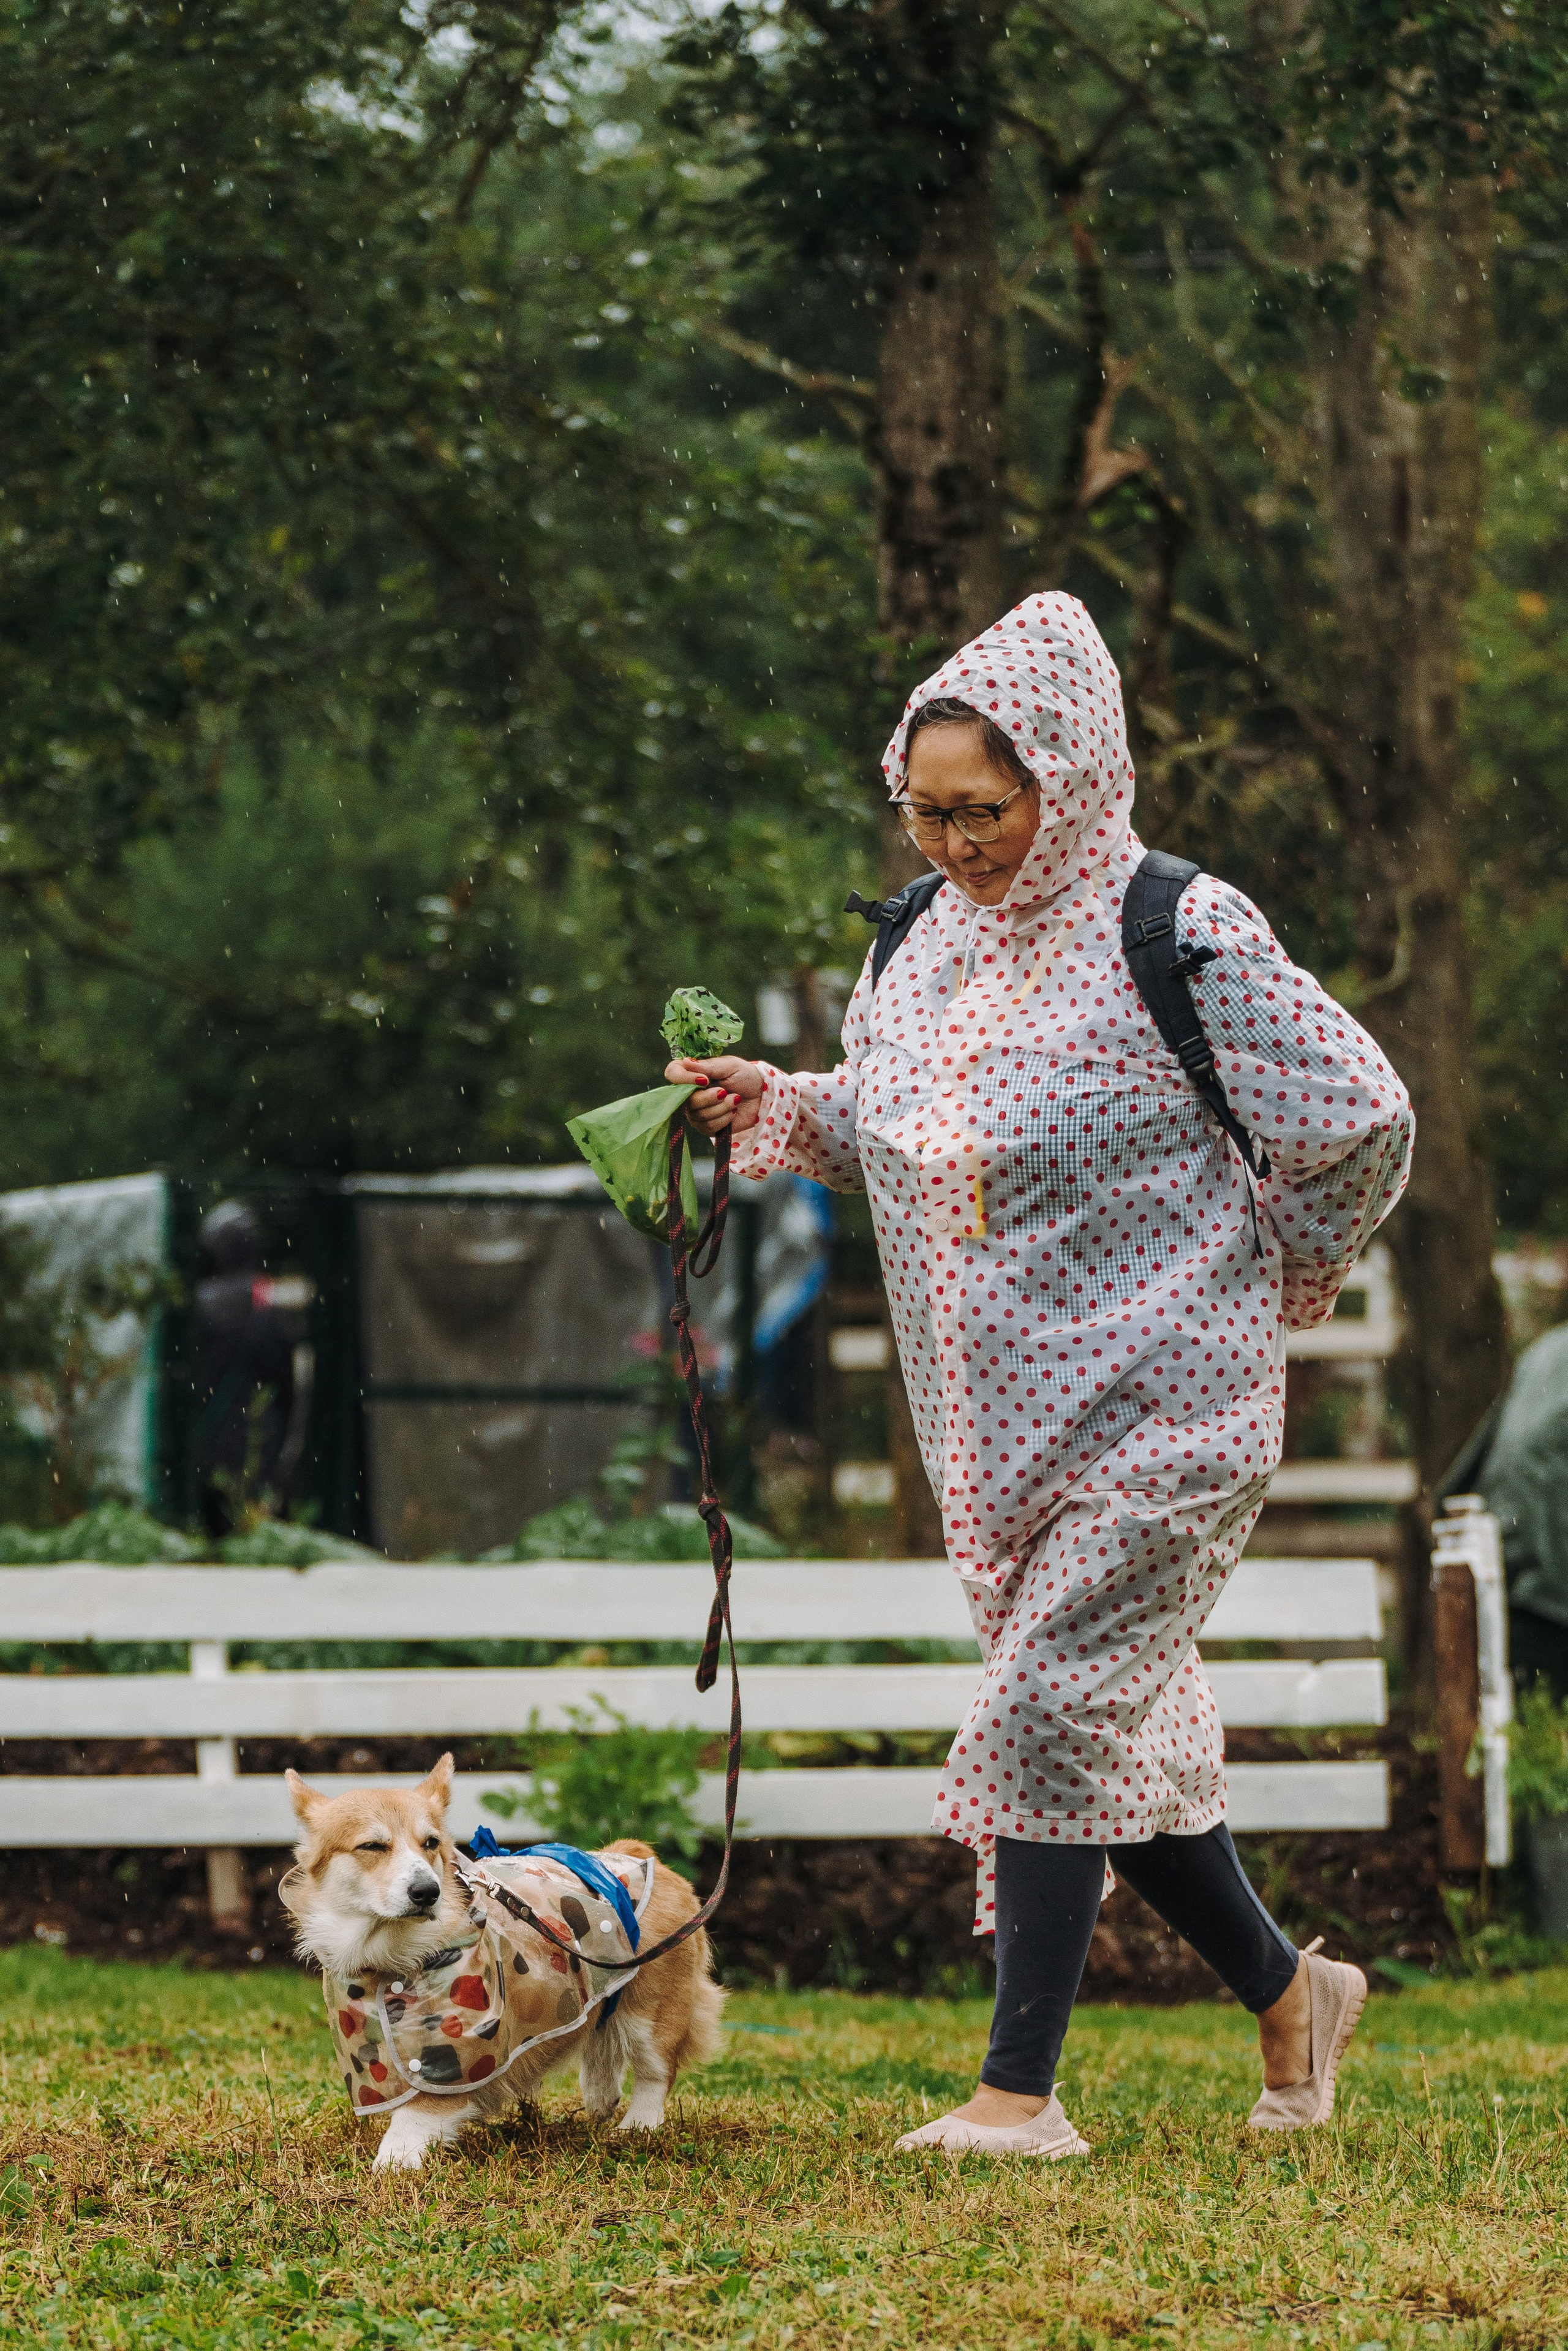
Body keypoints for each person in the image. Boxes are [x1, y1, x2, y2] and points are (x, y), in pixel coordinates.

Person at [668, 594, 1414, 2156]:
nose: (946, 839)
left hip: (1172, 1415)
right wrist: (772, 1102)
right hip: (995, 1432)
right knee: (1094, 1741)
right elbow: (880, 1125)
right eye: (919, 807)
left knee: (1040, 1718)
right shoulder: (918, 945)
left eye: (977, 809)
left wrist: (1281, 1260)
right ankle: (1291, 1994)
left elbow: (1357, 1116)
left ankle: (1017, 2097)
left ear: (1065, 780)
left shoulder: (1181, 930)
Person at [195, 1199, 298, 1538]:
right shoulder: (263, 1299)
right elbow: (283, 1377)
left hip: (210, 1434)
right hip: (258, 1430)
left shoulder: (201, 1301)